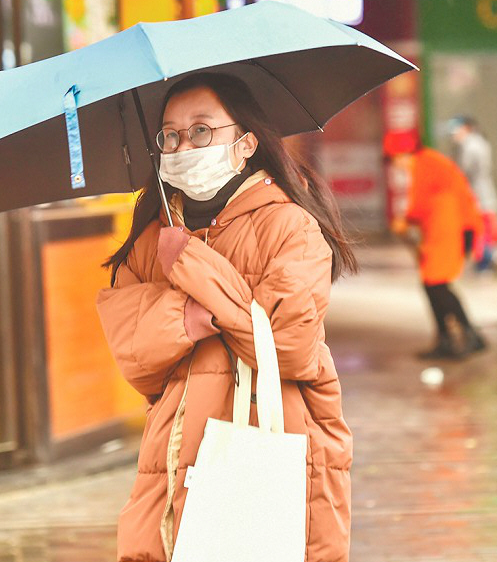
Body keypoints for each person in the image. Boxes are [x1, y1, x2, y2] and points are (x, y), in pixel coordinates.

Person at [95, 73, 354, 562]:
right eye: (170, 136)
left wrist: (192, 268)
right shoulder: (153, 237)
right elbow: (133, 357)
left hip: (274, 452)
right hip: (172, 465)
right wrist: (187, 318)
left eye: (200, 131)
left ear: (246, 143)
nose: (183, 146)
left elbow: (287, 348)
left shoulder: (290, 227)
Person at [395, 135, 487, 359]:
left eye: (395, 159)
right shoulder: (431, 161)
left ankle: (465, 335)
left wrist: (404, 220)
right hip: (451, 227)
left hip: (450, 228)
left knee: (436, 284)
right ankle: (453, 336)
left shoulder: (423, 164)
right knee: (434, 284)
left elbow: (418, 203)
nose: (397, 165)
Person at [449, 116, 497, 272]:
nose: (454, 135)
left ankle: (488, 260)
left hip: (477, 198)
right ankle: (490, 258)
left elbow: (463, 171)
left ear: (466, 128)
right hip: (482, 197)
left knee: (481, 232)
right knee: (486, 232)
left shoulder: (470, 145)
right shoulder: (479, 143)